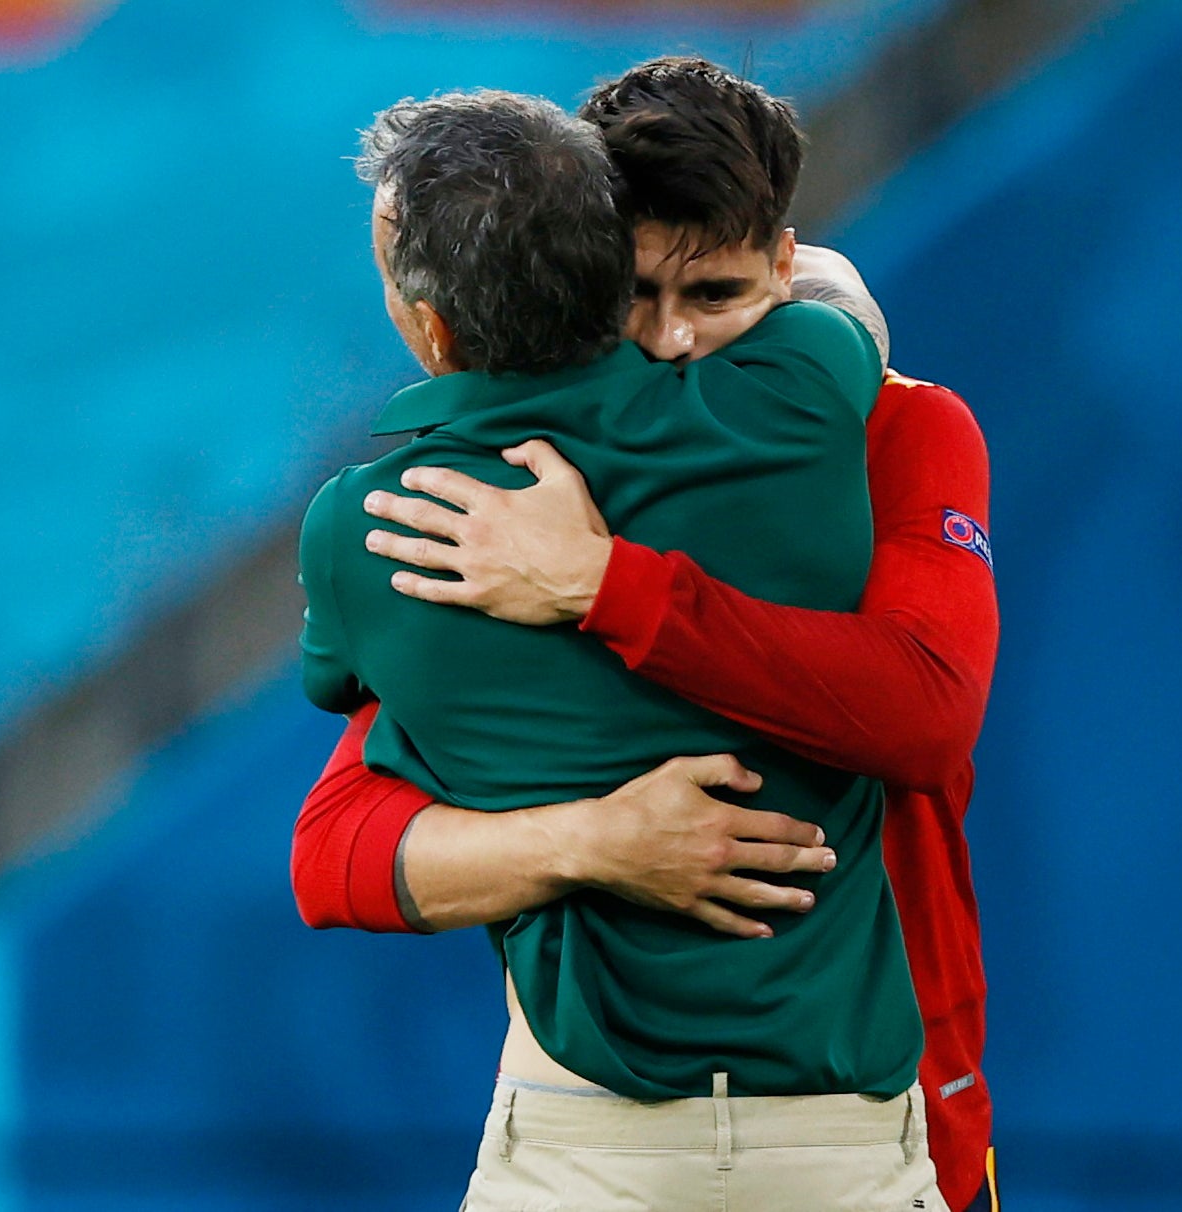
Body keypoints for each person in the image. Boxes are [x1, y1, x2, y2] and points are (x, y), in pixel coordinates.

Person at [293, 58, 1000, 1212]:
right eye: (632, 297)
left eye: (715, 295)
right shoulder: (501, 508)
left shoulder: (901, 428)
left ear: (781, 262)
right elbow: (338, 845)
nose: (672, 342)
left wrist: (604, 585)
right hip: (619, 1111)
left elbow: (923, 717)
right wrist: (597, 839)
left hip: (899, 1096)